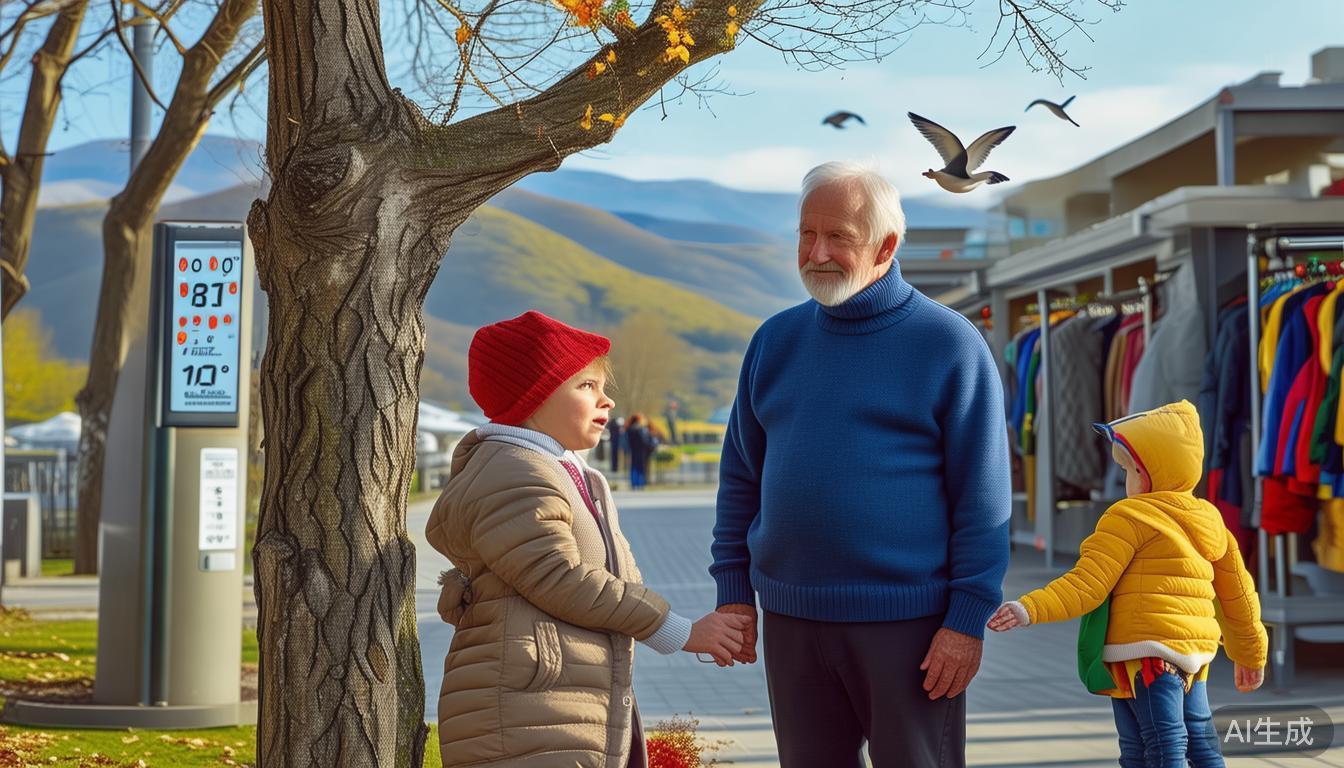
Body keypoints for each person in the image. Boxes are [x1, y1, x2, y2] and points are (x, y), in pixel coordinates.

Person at [710, 161, 1011, 767]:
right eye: (806, 234)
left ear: (886, 245)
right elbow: (741, 477)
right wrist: (734, 591)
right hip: (791, 619)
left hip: (913, 629)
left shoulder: (947, 343)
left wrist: (966, 620)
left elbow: (983, 500)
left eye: (839, 237)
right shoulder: (774, 340)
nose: (816, 253)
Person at [426, 310, 750, 768]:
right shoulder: (513, 472)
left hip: (560, 704)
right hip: (526, 714)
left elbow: (617, 579)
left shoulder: (569, 473)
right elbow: (560, 578)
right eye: (586, 386)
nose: (608, 401)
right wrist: (680, 631)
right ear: (533, 399)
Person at [989, 400, 1268, 768]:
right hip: (1195, 657)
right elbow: (1240, 596)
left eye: (1128, 470)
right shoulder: (1211, 520)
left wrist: (1028, 609)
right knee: (1198, 744)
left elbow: (1087, 584)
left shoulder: (1128, 516)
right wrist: (1251, 655)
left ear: (1150, 472)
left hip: (1146, 655)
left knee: (1158, 747)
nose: (1125, 481)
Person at [626, 413, 654, 490]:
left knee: (633, 467)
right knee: (640, 467)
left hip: (633, 450)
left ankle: (634, 484)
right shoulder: (641, 430)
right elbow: (644, 441)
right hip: (641, 451)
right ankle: (641, 483)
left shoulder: (629, 429)